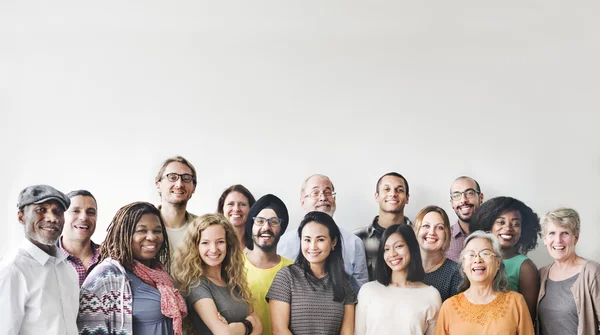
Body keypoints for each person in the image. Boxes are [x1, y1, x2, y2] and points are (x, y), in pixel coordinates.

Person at [77, 202, 187, 335]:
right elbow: (88, 328)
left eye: (157, 231)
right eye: (142, 231)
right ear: (124, 234)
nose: (152, 237)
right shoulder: (106, 275)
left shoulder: (160, 274)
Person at [0, 185, 78, 334]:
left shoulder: (68, 270)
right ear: (21, 216)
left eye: (58, 212)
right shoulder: (12, 271)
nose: (52, 218)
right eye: (40, 210)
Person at [267, 211, 357, 335]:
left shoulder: (344, 282)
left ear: (333, 242)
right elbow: (279, 330)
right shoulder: (286, 277)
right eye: (307, 240)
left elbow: (347, 332)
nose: (313, 246)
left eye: (320, 239)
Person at [171, 214, 262, 335]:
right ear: (195, 246)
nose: (213, 249)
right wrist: (249, 324)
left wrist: (235, 328)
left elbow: (259, 327)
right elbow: (225, 333)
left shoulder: (233, 278)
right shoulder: (196, 285)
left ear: (228, 244)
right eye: (205, 243)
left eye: (220, 242)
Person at [278, 174, 368, 292]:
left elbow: (361, 291)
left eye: (328, 192)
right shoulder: (283, 243)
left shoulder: (354, 243)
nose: (323, 198)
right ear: (302, 202)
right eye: (315, 193)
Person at [434, 231, 534, 334]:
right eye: (471, 255)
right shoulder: (449, 307)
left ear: (497, 263)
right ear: (463, 265)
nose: (477, 259)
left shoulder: (516, 302)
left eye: (485, 253)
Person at [355, 224, 441, 335]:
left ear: (411, 248)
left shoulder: (431, 295)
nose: (392, 254)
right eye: (386, 249)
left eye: (399, 246)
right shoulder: (368, 290)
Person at [470, 196, 541, 319]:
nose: (508, 228)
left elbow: (528, 317)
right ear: (489, 226)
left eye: (516, 224)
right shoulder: (476, 261)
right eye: (501, 222)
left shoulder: (525, 267)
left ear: (522, 230)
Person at [537, 208, 600, 335]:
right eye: (552, 233)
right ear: (545, 239)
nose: (558, 240)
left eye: (565, 233)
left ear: (575, 238)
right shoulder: (541, 274)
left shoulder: (592, 272)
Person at [244, 194, 294, 335]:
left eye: (273, 222)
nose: (266, 227)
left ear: (281, 228)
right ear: (251, 226)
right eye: (260, 221)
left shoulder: (293, 270)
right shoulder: (233, 266)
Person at [355, 172, 412, 280]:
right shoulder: (358, 238)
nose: (393, 194)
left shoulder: (419, 235)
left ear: (407, 198)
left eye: (399, 190)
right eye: (387, 189)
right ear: (377, 196)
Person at [413, 206, 461, 302]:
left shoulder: (456, 273)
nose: (432, 232)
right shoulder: (403, 266)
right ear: (416, 230)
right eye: (426, 226)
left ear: (446, 234)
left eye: (439, 227)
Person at [155, 156, 198, 254]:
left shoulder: (203, 228)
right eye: (172, 177)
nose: (179, 184)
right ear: (158, 185)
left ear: (194, 187)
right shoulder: (140, 226)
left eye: (186, 178)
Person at [58, 190, 101, 286]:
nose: (83, 217)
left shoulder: (110, 258)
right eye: (75, 211)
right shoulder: (46, 259)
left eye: (90, 212)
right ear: (61, 216)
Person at [446, 176, 484, 262]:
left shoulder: (495, 234)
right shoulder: (444, 238)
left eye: (470, 193)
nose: (463, 200)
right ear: (452, 203)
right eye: (456, 195)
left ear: (481, 197)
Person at [216, 184, 256, 250]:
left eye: (242, 204)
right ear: (222, 208)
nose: (236, 209)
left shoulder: (259, 245)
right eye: (230, 204)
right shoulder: (214, 245)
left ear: (251, 209)